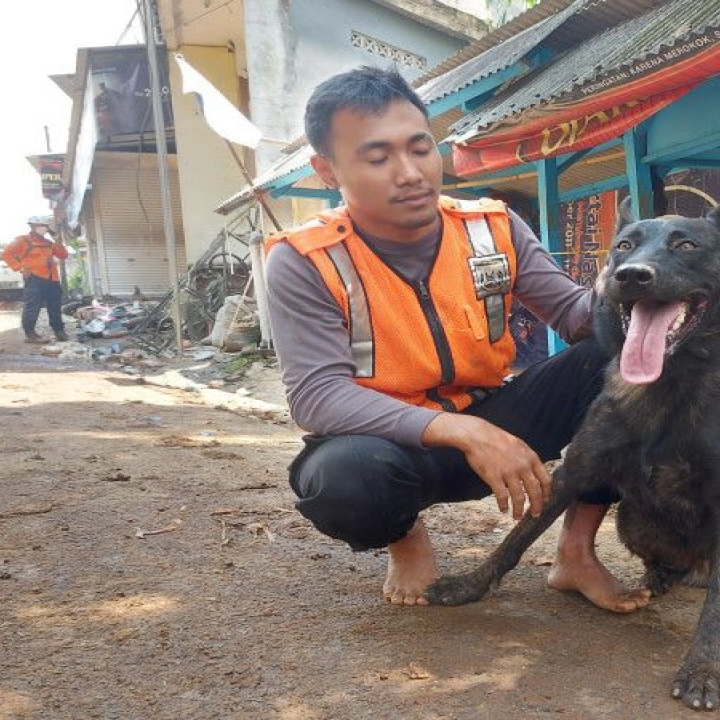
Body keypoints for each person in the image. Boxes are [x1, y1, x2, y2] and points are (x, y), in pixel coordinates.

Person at [264, 66, 646, 611]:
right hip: (393, 447)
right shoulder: (305, 260)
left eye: (420, 149)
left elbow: (575, 316)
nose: (410, 173)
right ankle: (405, 536)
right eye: (378, 158)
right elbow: (316, 396)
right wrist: (462, 431)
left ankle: (577, 552)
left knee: (623, 357)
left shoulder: (492, 226)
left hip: (500, 418)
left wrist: (626, 280)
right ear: (327, 170)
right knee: (344, 481)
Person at [2, 215, 68, 343]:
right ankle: (30, 333)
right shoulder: (22, 240)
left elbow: (63, 255)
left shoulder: (49, 243)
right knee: (33, 306)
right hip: (34, 278)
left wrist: (57, 240)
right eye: (42, 226)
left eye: (46, 226)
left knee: (55, 306)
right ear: (33, 226)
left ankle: (59, 331)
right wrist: (19, 267)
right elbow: (6, 254)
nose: (45, 229)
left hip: (52, 278)